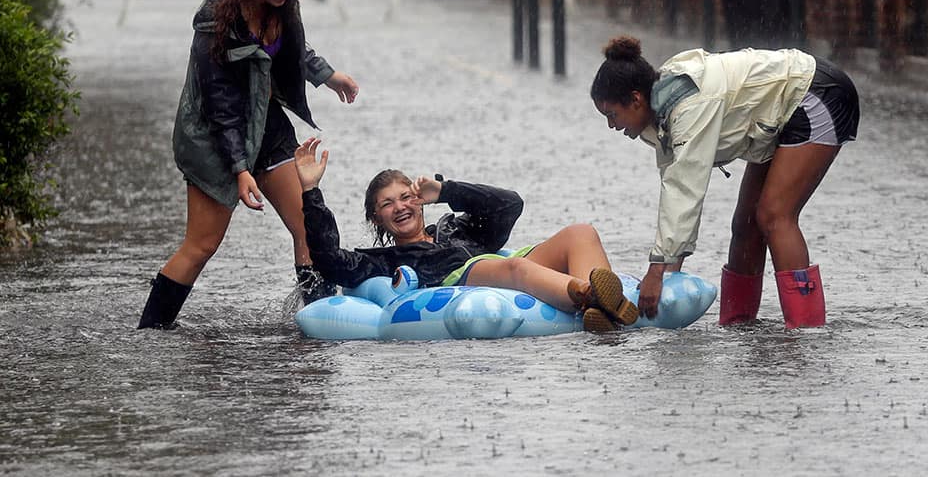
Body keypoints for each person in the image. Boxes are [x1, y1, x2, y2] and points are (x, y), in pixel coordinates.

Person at [137, 0, 360, 329]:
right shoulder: (215, 23)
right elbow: (221, 107)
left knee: (308, 228)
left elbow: (293, 48)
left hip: (267, 126)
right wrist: (240, 169)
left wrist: (327, 75)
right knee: (202, 244)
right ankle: (151, 331)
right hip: (214, 138)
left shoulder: (282, 2)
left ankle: (321, 324)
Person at [590, 36, 859, 329]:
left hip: (815, 95)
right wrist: (668, 274)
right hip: (778, 114)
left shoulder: (687, 105)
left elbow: (684, 191)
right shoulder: (660, 109)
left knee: (774, 215)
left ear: (636, 99)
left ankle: (806, 330)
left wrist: (656, 273)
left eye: (612, 115)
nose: (611, 126)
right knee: (745, 224)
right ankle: (737, 326)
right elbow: (673, 194)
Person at [293, 137, 639, 333]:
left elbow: (509, 205)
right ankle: (591, 296)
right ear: (376, 218)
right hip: (461, 279)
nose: (400, 207)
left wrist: (446, 191)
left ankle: (601, 313)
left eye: (406, 197)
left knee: (581, 232)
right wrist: (311, 191)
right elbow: (328, 258)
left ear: (419, 201)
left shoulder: (453, 228)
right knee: (514, 269)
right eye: (387, 204)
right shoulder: (381, 262)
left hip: (490, 263)